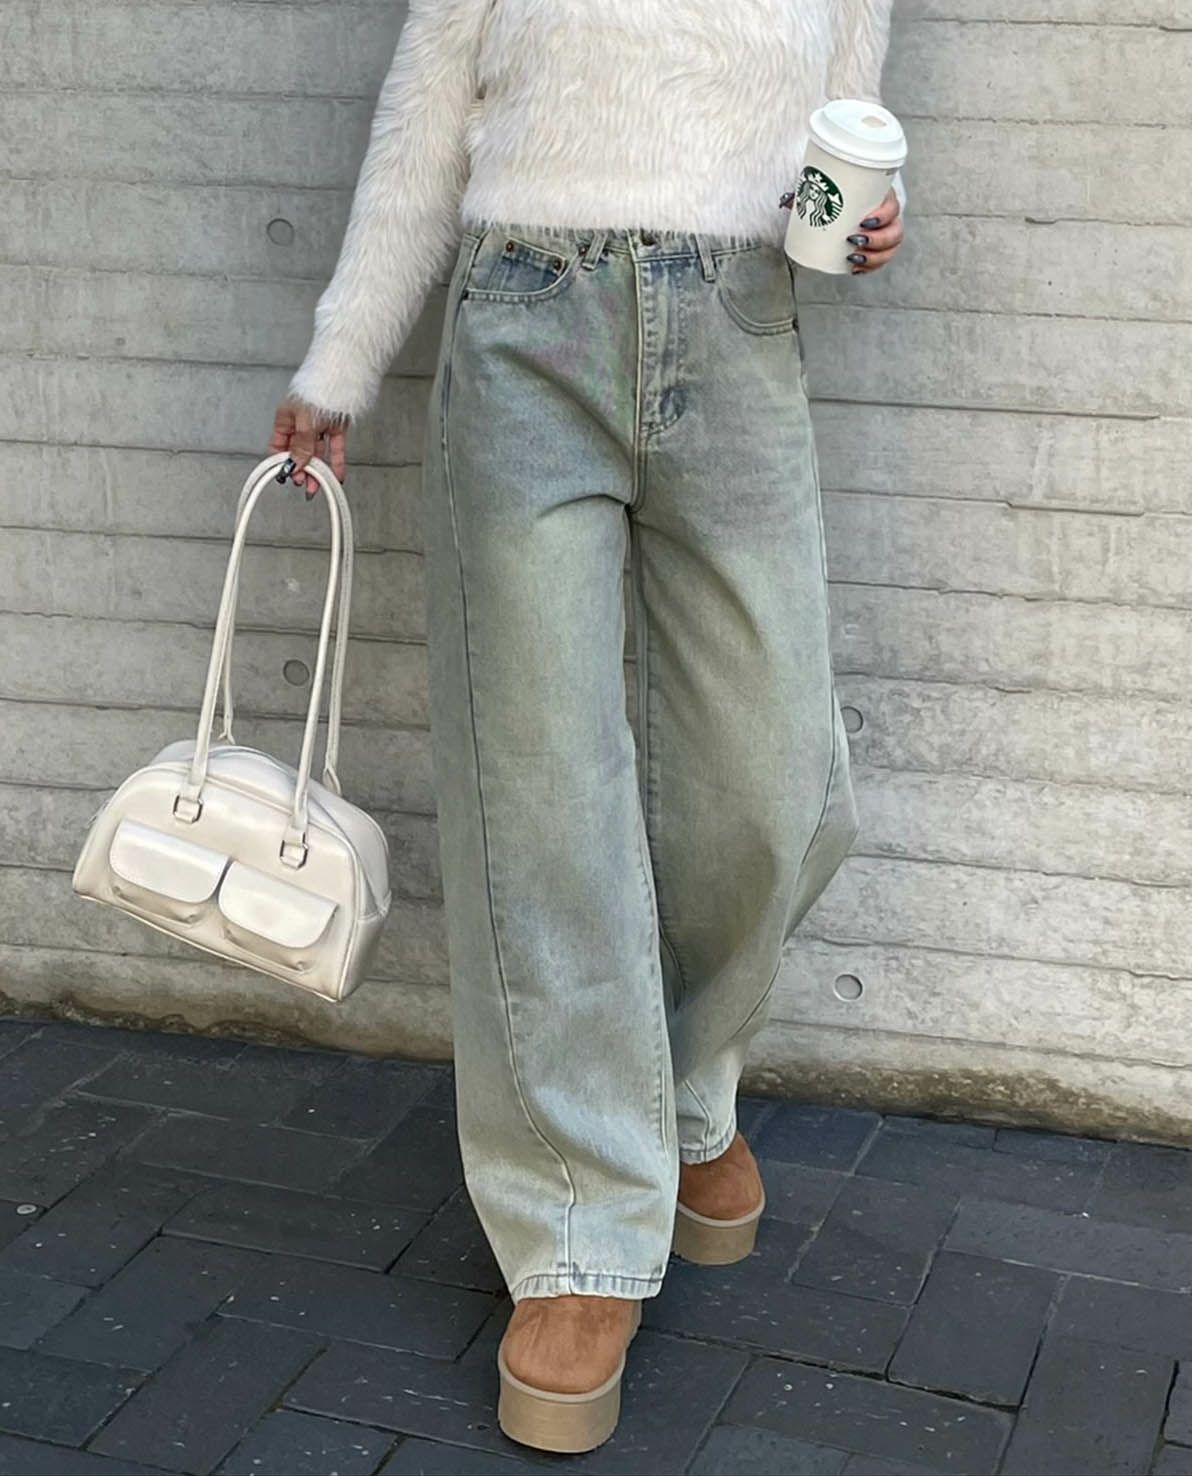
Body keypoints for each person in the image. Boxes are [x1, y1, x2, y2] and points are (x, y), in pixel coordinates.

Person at [269, 0, 905, 1454]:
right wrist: (337, 364)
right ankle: (576, 1224)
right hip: (524, 320)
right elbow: (424, 120)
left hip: (740, 324)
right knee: (541, 785)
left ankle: (680, 1095)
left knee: (774, 779)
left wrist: (875, 222)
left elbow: (847, 130)